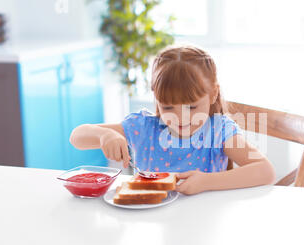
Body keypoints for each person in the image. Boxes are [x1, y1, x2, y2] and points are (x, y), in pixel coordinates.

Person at [70, 45, 276, 195]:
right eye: (167, 106)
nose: (179, 118)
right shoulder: (144, 127)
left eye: (191, 107)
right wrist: (104, 135)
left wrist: (207, 182)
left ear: (213, 94)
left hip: (204, 224)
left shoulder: (219, 131)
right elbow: (77, 137)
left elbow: (265, 171)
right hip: (151, 225)